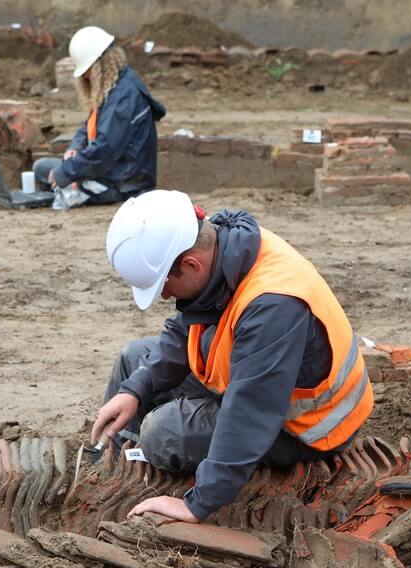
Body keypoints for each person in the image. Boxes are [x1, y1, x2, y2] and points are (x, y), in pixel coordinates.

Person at [91, 189, 374, 523]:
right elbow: (186, 326)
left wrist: (197, 504)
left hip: (307, 427)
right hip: (260, 377)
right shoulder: (226, 249)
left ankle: (157, 473)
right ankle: (116, 474)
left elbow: (250, 411)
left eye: (164, 284)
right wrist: (135, 390)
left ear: (191, 264)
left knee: (163, 433)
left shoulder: (273, 304)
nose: (164, 295)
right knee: (134, 360)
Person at [32, 26, 166, 205]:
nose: (86, 78)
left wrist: (67, 172)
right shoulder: (117, 87)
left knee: (50, 172)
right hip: (112, 173)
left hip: (122, 185)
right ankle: (73, 188)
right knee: (43, 168)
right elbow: (89, 124)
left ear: (100, 66)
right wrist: (75, 147)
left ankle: (76, 189)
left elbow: (104, 151)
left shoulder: (124, 98)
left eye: (87, 72)